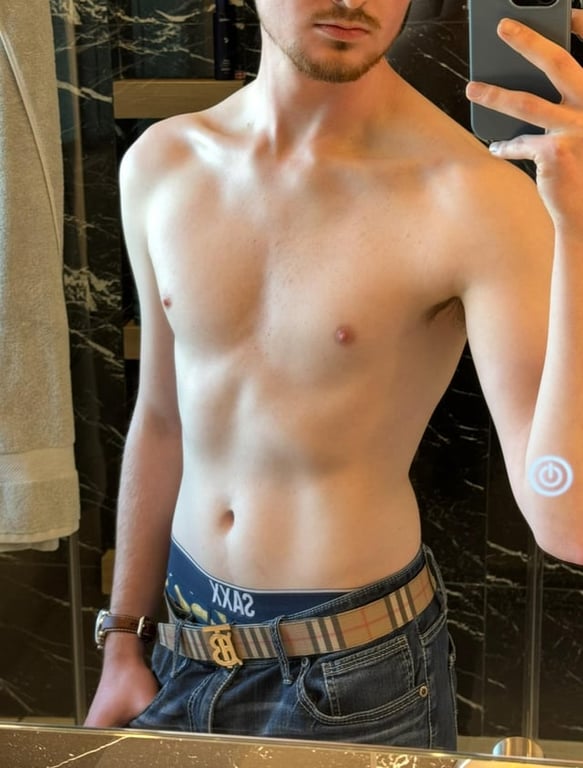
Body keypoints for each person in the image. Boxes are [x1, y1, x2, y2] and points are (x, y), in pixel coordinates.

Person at [85, 0, 583, 751]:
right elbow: (162, 416)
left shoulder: (474, 196)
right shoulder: (162, 162)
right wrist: (125, 636)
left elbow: (565, 518)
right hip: (178, 647)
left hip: (354, 676)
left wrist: (577, 229)